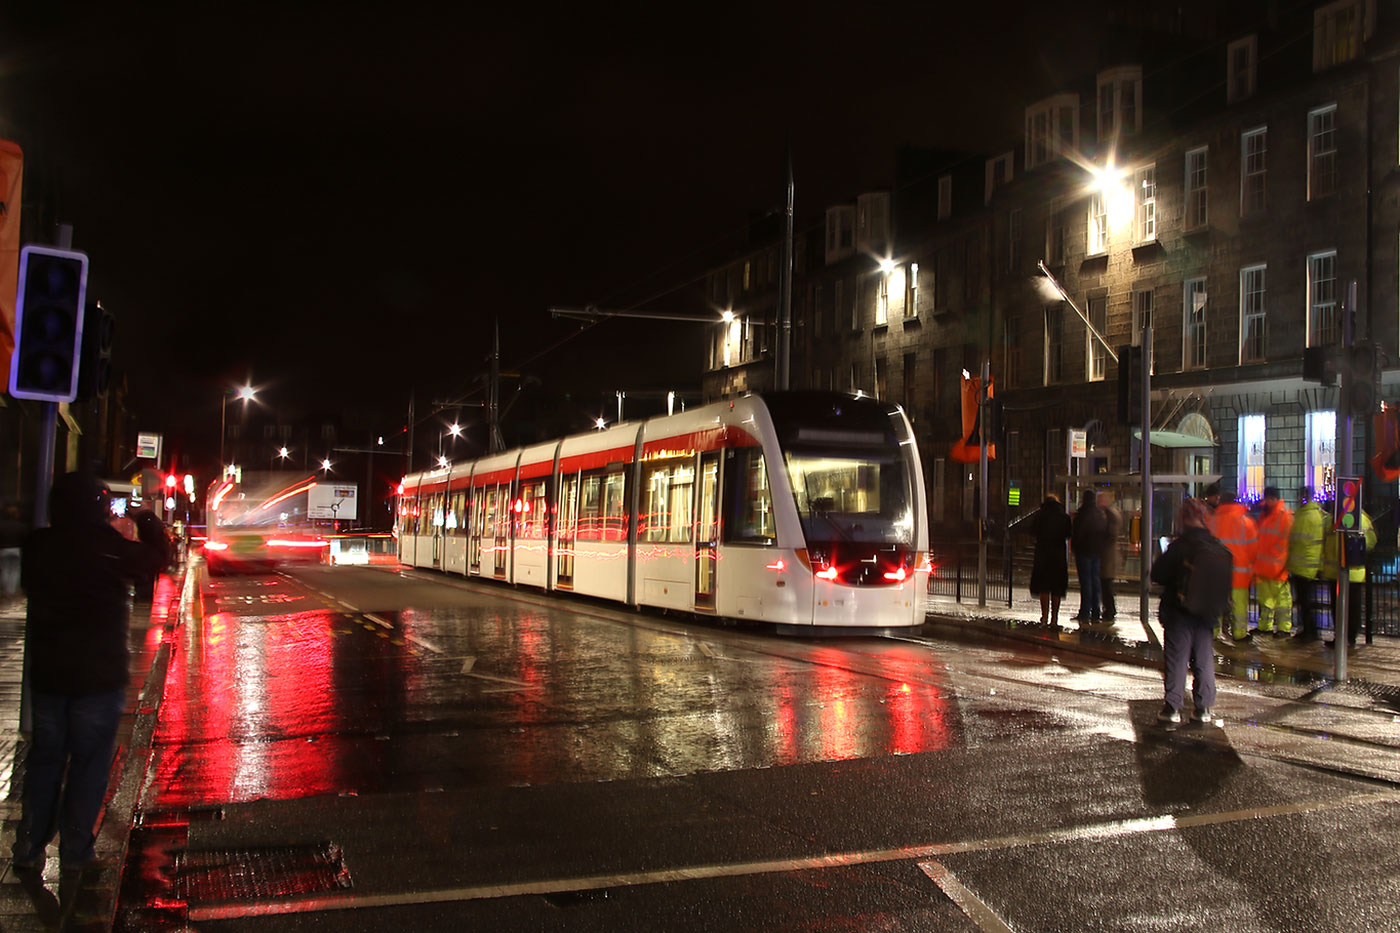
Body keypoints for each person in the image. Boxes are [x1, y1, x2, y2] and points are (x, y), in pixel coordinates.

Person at [10, 473, 168, 876]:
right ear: (98, 508)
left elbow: (30, 584)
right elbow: (157, 559)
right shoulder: (109, 549)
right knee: (89, 764)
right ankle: (76, 848)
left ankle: (29, 845)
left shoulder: (38, 546)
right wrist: (146, 518)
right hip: (98, 679)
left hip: (49, 677)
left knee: (45, 760)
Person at [1151, 498, 1222, 728]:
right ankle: (1203, 708)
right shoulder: (1216, 545)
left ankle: (1172, 707)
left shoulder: (1180, 546)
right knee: (1203, 659)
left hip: (1179, 612)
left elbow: (1158, 574)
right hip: (1206, 614)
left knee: (1177, 658)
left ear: (1186, 518)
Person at [1319, 506, 1376, 647]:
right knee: (1345, 608)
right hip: (1343, 571)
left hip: (1345, 571)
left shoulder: (1332, 519)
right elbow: (1371, 541)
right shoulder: (1359, 518)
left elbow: (1369, 541)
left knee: (1345, 608)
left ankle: (1347, 638)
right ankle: (1345, 638)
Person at [1210, 487, 1257, 642]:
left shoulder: (1213, 521)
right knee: (1239, 605)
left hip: (1217, 571)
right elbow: (1253, 549)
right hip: (1240, 572)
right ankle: (1239, 633)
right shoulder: (1246, 522)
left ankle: (1214, 632)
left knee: (1216, 603)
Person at [1253, 485, 1293, 637]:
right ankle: (1265, 627)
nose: (1268, 501)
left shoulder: (1283, 515)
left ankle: (1283, 629)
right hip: (1266, 565)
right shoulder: (1265, 514)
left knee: (1281, 601)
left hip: (1277, 566)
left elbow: (1286, 540)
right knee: (1265, 601)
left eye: (1271, 498)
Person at [1028, 494, 1073, 627]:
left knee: (1044, 587)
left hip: (1043, 555)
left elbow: (1032, 532)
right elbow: (1068, 534)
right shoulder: (1064, 517)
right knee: (1057, 588)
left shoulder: (1039, 516)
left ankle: (1044, 616)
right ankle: (1054, 618)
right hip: (1058, 556)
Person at [1288, 486, 1326, 642]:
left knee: (1304, 602)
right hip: (1311, 563)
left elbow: (1296, 540)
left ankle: (1308, 632)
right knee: (1308, 602)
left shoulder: (1304, 516)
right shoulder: (1317, 514)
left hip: (1302, 565)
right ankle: (1310, 630)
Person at [1070, 489, 1107, 624]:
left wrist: (1075, 547)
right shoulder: (1099, 514)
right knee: (1095, 582)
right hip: (1096, 552)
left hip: (1084, 552)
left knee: (1086, 583)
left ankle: (1085, 611)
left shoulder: (1082, 514)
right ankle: (1096, 611)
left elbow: (1077, 534)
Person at [132, 509, 173, 603]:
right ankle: (146, 599)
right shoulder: (159, 533)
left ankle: (143, 599)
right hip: (153, 561)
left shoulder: (144, 547)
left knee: (144, 583)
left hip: (147, 561)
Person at [1097, 490, 1123, 621]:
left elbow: (1110, 534)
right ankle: (1108, 609)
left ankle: (1109, 610)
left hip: (1107, 557)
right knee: (1105, 586)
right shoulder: (1111, 514)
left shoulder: (1110, 515)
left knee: (1106, 586)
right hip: (1108, 556)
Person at [0, 502, 24, 599]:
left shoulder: (1, 525)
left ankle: (6, 591)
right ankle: (12, 591)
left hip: (4, 550)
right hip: (17, 550)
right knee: (15, 570)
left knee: (5, 570)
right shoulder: (21, 526)